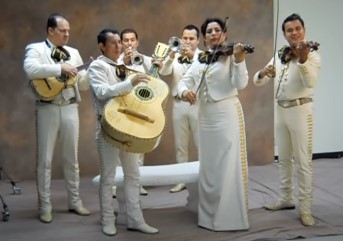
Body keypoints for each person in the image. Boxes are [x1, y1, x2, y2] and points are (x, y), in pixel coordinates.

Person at [177, 17, 250, 231]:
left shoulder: (230, 56)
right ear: (204, 37)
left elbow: (240, 83)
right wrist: (184, 92)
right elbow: (184, 81)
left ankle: (229, 217)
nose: (213, 33)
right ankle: (208, 216)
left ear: (224, 35)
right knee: (209, 165)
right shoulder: (200, 59)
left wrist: (239, 60)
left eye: (218, 30)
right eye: (209, 31)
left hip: (226, 113)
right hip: (206, 116)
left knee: (227, 164)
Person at [87, 28, 159, 236]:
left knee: (133, 175)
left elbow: (135, 94)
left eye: (120, 42)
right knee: (108, 178)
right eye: (114, 43)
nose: (120, 46)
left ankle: (135, 220)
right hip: (107, 128)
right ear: (102, 46)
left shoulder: (124, 65)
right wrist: (129, 82)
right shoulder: (97, 66)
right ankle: (107, 220)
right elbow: (102, 93)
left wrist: (149, 72)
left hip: (128, 127)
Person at [253, 13, 320, 226]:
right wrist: (262, 73)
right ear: (284, 34)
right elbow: (260, 82)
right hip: (280, 111)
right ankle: (286, 198)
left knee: (303, 162)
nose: (294, 32)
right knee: (283, 159)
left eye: (297, 28)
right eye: (289, 30)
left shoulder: (313, 54)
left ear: (304, 30)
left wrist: (302, 59)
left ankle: (306, 209)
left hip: (301, 110)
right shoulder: (280, 54)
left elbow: (310, 82)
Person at [23, 13, 90, 223]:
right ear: (50, 31)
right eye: (62, 30)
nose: (67, 34)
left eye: (68, 30)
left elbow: (83, 85)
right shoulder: (36, 49)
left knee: (72, 159)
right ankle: (45, 205)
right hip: (47, 108)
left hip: (70, 108)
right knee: (45, 161)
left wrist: (91, 73)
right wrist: (59, 67)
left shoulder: (74, 52)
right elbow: (30, 69)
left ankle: (75, 201)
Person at [159, 24, 201, 193]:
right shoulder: (175, 56)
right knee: (180, 145)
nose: (188, 41)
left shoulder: (204, 57)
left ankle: (203, 177)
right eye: (185, 38)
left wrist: (193, 56)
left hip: (197, 105)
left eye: (191, 38)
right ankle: (182, 180)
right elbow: (164, 71)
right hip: (178, 104)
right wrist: (170, 56)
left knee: (201, 143)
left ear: (198, 41)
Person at [117, 28, 155, 196]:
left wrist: (156, 65)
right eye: (126, 40)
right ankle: (117, 184)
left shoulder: (144, 60)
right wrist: (123, 62)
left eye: (132, 40)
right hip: (123, 107)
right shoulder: (116, 61)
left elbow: (155, 80)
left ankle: (137, 183)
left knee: (139, 147)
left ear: (137, 42)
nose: (130, 43)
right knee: (120, 146)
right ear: (121, 43)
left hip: (141, 106)